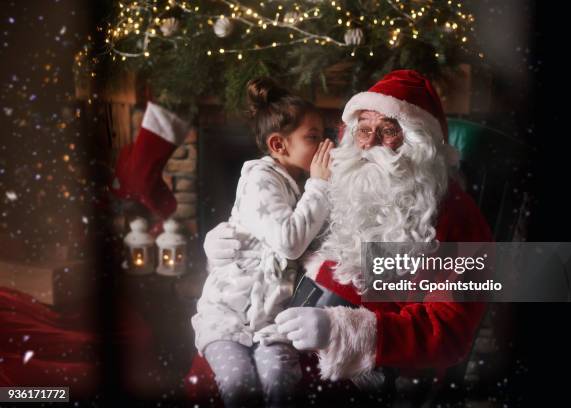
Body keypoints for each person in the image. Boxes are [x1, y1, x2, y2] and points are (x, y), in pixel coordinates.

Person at [192, 70, 492, 405]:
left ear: (418, 142)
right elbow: (286, 235)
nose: (370, 143)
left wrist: (345, 332)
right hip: (271, 325)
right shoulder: (348, 180)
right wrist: (231, 244)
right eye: (364, 130)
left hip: (357, 367)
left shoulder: (460, 218)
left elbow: (451, 332)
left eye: (388, 131)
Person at [191, 78, 334, 408]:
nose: (325, 146)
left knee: (279, 379)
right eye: (313, 137)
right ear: (279, 145)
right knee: (238, 381)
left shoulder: (302, 183)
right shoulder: (261, 178)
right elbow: (290, 242)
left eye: (325, 134)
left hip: (274, 320)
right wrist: (319, 186)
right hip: (228, 317)